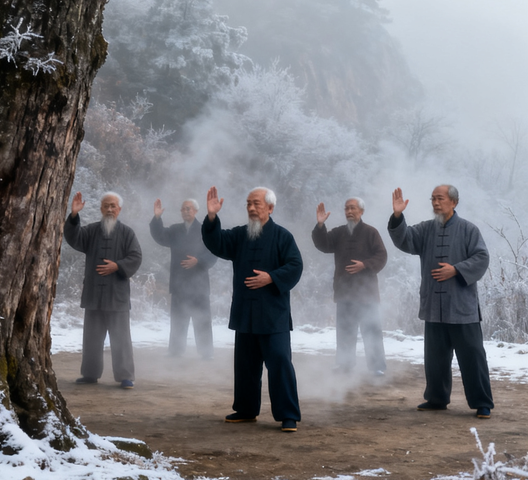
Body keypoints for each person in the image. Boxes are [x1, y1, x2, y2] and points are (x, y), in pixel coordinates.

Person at [201, 185, 303, 432]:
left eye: (256, 203)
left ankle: (288, 415)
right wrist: (212, 217)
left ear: (270, 207)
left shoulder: (282, 236)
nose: (251, 208)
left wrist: (271, 278)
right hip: (245, 313)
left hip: (273, 314)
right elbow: (216, 243)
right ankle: (246, 410)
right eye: (248, 203)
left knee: (279, 362)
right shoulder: (239, 235)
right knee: (246, 365)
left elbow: (295, 266)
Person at [388, 185, 493, 417]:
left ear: (453, 202)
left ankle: (482, 402)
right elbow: (404, 240)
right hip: (434, 307)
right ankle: (436, 399)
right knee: (435, 358)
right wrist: (397, 216)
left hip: (462, 308)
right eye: (433, 199)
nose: (435, 203)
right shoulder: (426, 229)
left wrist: (456, 270)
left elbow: (482, 257)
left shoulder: (468, 230)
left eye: (440, 198)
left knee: (473, 356)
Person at [63, 190, 142, 388]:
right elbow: (74, 238)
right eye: (106, 206)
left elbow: (136, 257)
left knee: (121, 339)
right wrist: (74, 216)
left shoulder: (127, 233)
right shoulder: (90, 231)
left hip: (117, 296)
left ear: (119, 209)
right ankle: (90, 374)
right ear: (100, 209)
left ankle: (125, 376)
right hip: (94, 295)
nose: (109, 209)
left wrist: (117, 266)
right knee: (91, 338)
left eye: (113, 206)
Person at [312, 197, 388, 375]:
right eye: (346, 208)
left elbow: (382, 256)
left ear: (361, 211)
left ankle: (377, 367)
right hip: (344, 292)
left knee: (371, 330)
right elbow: (323, 244)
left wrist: (365, 265)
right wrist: (320, 226)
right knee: (345, 330)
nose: (349, 212)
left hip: (367, 293)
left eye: (353, 208)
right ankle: (344, 365)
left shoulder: (371, 232)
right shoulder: (339, 233)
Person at [150, 197, 218, 359]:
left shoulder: (204, 230)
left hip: (199, 284)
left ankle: (206, 353)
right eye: (183, 209)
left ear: (195, 211)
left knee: (202, 319)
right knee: (178, 319)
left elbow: (213, 251)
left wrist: (198, 261)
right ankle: (175, 351)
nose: (186, 211)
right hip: (179, 283)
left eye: (189, 208)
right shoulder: (174, 230)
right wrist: (157, 218)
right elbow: (159, 236)